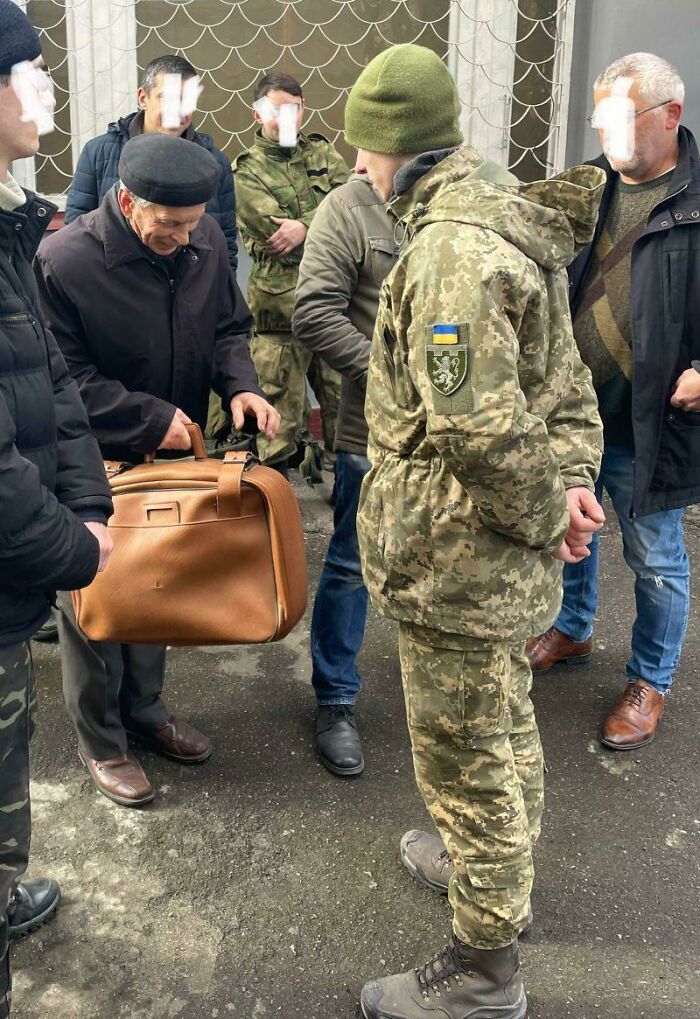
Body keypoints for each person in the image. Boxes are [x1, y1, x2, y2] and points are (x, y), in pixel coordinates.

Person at [346, 44, 606, 1019]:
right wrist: (570, 494)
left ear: (392, 145)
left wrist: (549, 511)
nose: (358, 171)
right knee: (502, 722)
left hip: (459, 561)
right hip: (499, 554)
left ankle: (483, 965)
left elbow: (471, 423)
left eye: (364, 150)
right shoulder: (515, 219)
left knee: (464, 752)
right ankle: (494, 868)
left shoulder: (452, 255)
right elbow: (564, 386)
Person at [34, 133, 279, 809]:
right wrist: (147, 418)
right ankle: (102, 740)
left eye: (193, 223)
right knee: (94, 600)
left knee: (157, 580)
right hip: (90, 457)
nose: (182, 236)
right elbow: (60, 379)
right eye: (168, 225)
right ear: (124, 201)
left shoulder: (206, 245)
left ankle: (145, 707)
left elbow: (230, 327)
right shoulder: (64, 260)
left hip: (174, 455)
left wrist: (240, 387)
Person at [526, 53, 700, 752]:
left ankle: (649, 680)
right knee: (576, 530)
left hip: (649, 420)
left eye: (621, 118)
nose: (608, 134)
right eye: (602, 119)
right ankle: (573, 627)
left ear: (671, 115)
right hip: (575, 414)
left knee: (654, 556)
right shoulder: (589, 187)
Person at [0, 2, 113, 1012]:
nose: (46, 92)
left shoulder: (10, 222)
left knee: (8, 748)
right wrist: (73, 544)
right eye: (29, 73)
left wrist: (89, 495)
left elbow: (48, 382)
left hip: (13, 574)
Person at [292, 174, 396, 775]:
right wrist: (392, 375)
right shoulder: (351, 207)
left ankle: (446, 700)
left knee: (445, 564)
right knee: (352, 563)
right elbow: (315, 313)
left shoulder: (461, 200)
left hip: (454, 434)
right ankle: (335, 699)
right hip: (372, 429)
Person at [233, 72, 349, 474]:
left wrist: (302, 226)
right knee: (278, 415)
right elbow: (271, 230)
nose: (286, 116)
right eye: (276, 108)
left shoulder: (323, 152)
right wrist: (319, 222)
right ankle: (275, 508)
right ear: (257, 113)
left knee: (343, 403)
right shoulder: (247, 171)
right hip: (280, 307)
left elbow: (352, 204)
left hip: (334, 298)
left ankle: (345, 498)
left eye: (294, 108)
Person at [64, 53, 238, 270]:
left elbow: (226, 241)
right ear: (143, 98)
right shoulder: (99, 153)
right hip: (115, 287)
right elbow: (76, 231)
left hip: (189, 291)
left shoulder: (215, 163)